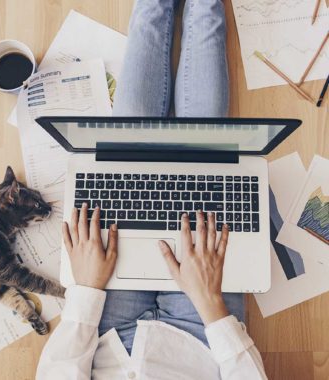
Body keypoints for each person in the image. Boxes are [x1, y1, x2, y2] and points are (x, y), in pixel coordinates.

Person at [36, 1, 268, 379]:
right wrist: (211, 303)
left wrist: (86, 293)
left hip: (105, 334)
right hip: (204, 338)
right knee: (205, 162)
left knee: (129, 159)